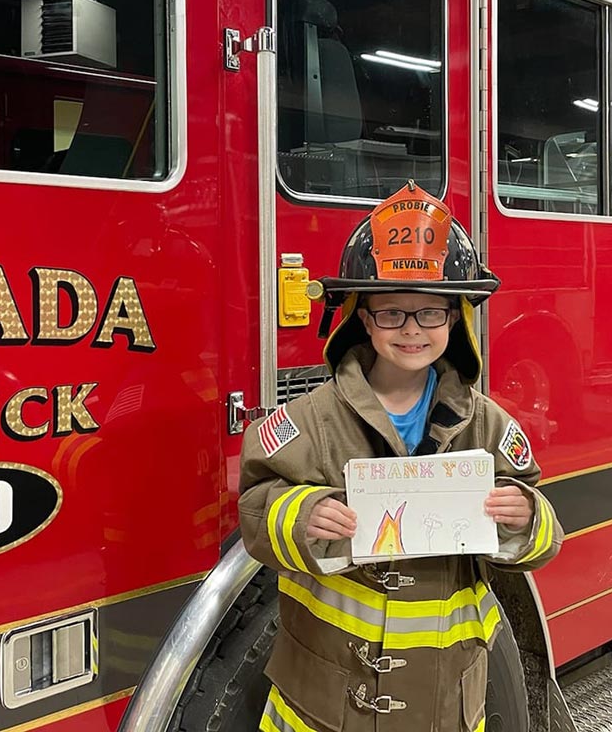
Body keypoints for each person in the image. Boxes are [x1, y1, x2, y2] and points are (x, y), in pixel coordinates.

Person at [239, 182, 563, 732]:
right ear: (362, 319)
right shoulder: (308, 421)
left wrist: (527, 519)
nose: (411, 330)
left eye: (430, 314)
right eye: (390, 313)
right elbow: (255, 508)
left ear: (455, 320)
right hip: (324, 708)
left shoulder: (487, 424)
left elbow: (543, 532)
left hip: (445, 707)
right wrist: (301, 514)